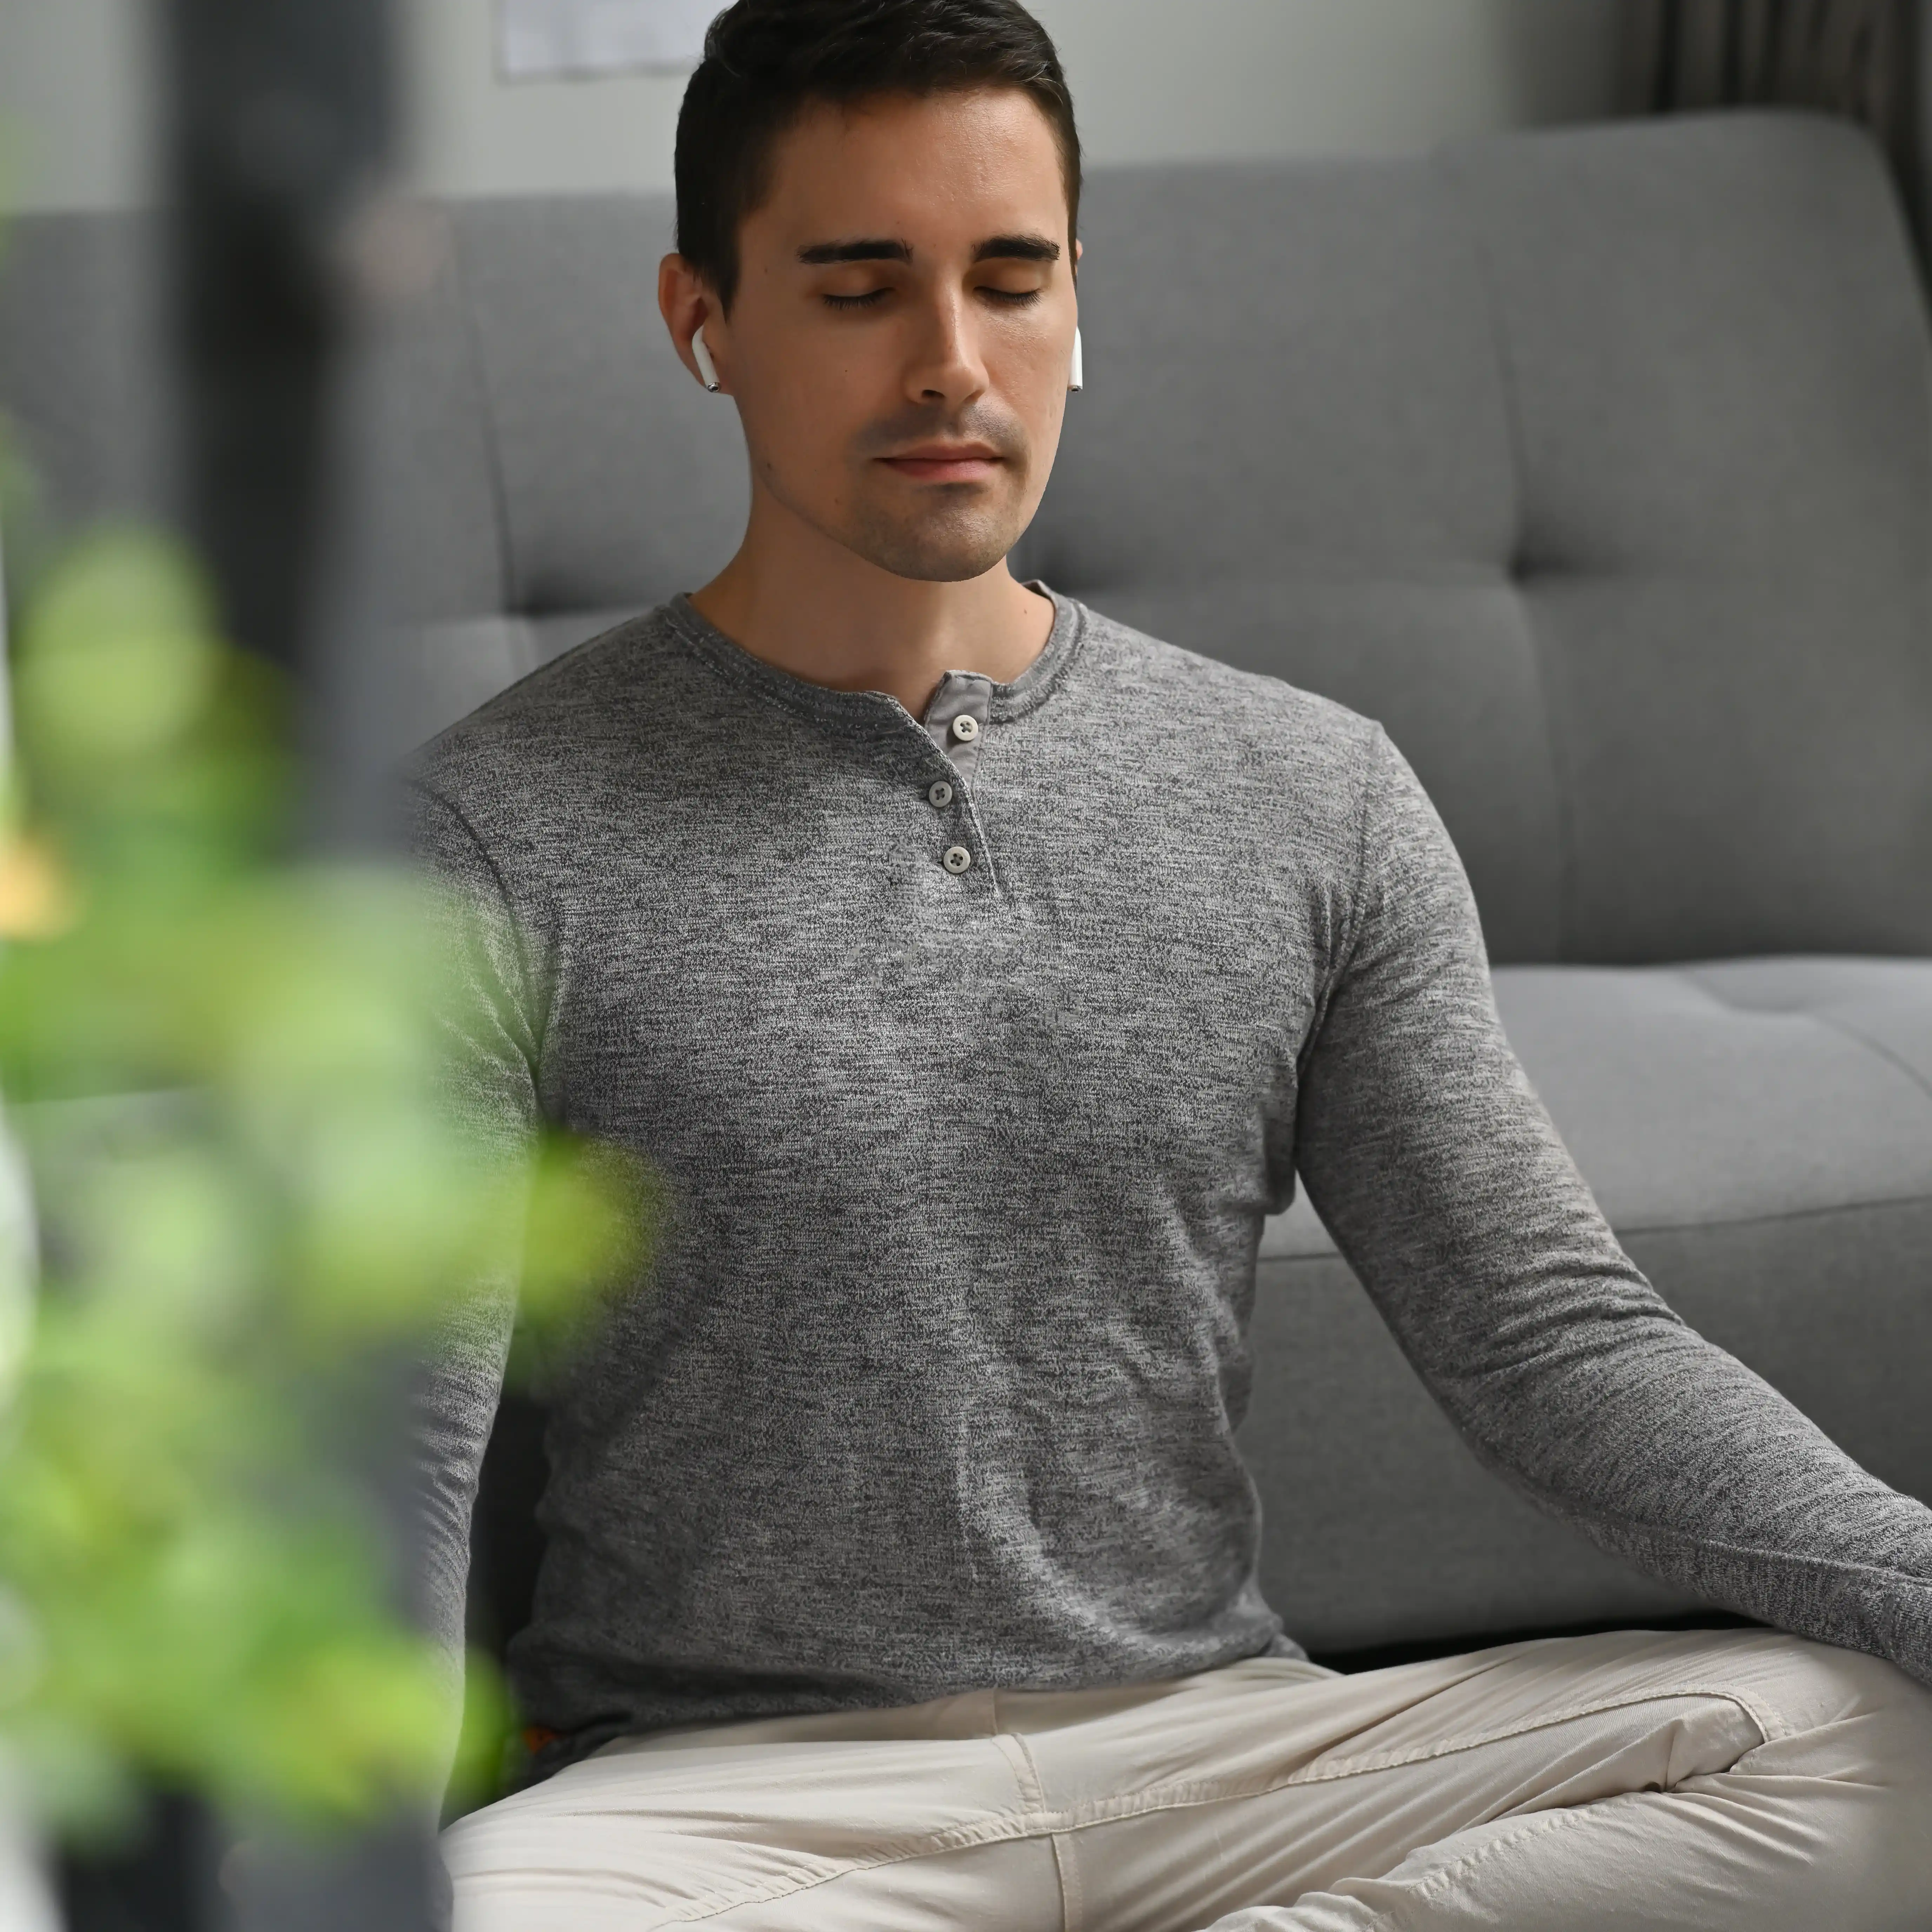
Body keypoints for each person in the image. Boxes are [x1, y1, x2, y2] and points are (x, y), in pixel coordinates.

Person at [408, 2, 1932, 1925]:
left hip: (1224, 1761)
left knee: (1869, 1735)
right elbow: (397, 1443)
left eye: (1011, 280)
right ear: (700, 317)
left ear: (1079, 304)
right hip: (733, 1815)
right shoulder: (488, 832)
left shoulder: (1309, 791)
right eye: (860, 289)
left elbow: (1551, 1344)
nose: (951, 362)